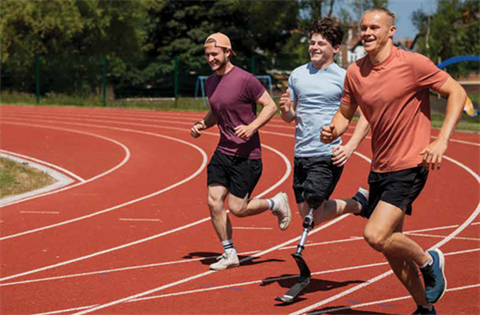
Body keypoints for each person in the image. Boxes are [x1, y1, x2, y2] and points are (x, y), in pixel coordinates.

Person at [321, 7, 467, 315]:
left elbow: (456, 91)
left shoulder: (413, 64)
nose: (367, 32)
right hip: (380, 167)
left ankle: (430, 260)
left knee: (376, 235)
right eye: (363, 28)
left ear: (391, 32)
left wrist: (442, 139)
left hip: (410, 164)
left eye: (375, 27)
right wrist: (333, 129)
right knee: (392, 250)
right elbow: (345, 115)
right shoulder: (355, 72)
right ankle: (425, 308)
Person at [190, 32, 292, 271]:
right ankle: (229, 253)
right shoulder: (210, 82)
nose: (211, 59)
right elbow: (216, 113)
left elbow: (270, 106)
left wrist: (252, 127)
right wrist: (201, 125)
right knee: (213, 201)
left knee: (237, 208)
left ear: (228, 52)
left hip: (247, 156)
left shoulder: (246, 79)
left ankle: (274, 203)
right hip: (223, 152)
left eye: (215, 54)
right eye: (207, 55)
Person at [279, 18, 370, 230]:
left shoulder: (345, 77)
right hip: (301, 153)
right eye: (312, 42)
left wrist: (350, 147)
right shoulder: (297, 75)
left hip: (327, 153)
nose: (314, 47)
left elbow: (366, 115)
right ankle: (358, 204)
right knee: (309, 216)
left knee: (312, 207)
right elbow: (290, 117)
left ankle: (358, 203)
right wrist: (285, 111)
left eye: (321, 43)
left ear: (336, 48)